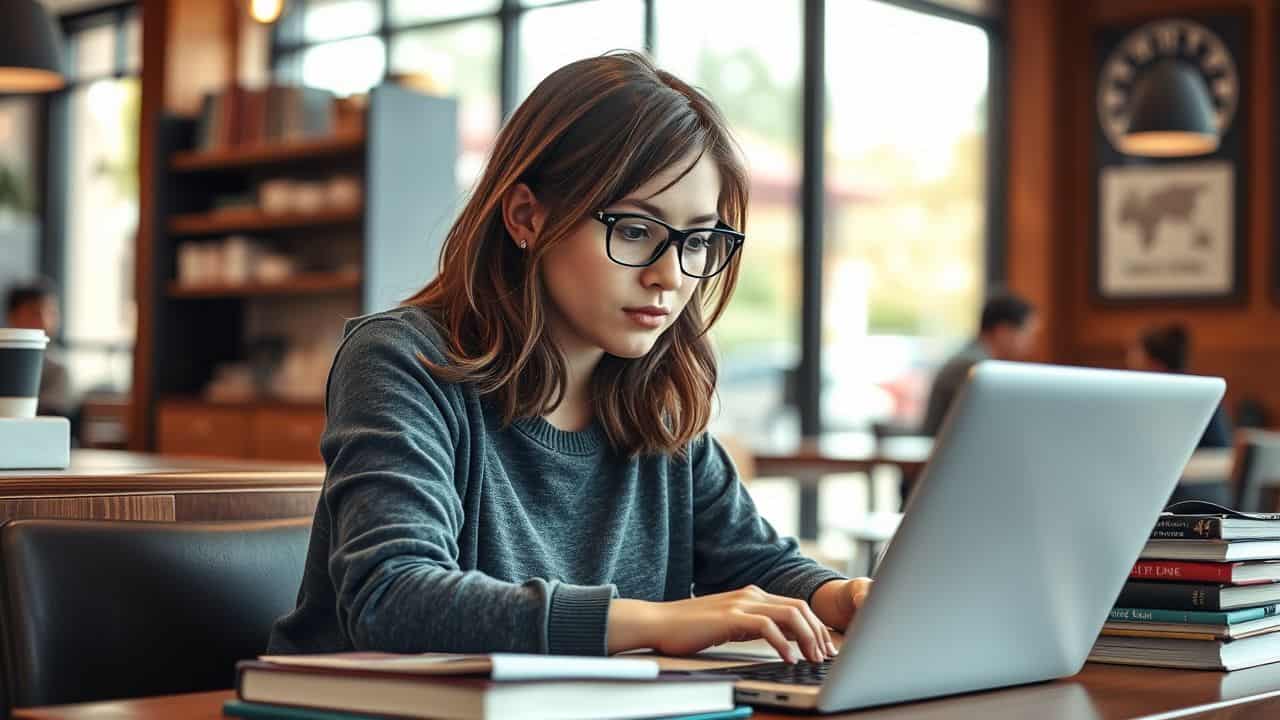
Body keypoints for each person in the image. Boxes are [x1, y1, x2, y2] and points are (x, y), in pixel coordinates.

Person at [267, 52, 870, 664]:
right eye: (635, 230)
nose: (670, 276)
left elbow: (758, 563)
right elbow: (392, 599)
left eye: (696, 239)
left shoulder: (656, 397)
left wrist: (840, 596)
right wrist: (658, 622)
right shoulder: (403, 360)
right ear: (527, 215)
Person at [920, 292, 1039, 437]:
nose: (1031, 343)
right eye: (1027, 333)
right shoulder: (974, 368)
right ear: (1003, 332)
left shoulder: (975, 360)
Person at [1127, 323, 1232, 448]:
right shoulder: (1203, 396)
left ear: (1155, 364)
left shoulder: (1201, 397)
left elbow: (1220, 452)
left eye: (1137, 353)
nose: (1130, 359)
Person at [4, 278, 73, 420]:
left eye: (51, 313)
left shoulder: (58, 369)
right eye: (35, 313)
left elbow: (52, 414)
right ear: (12, 316)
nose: (45, 321)